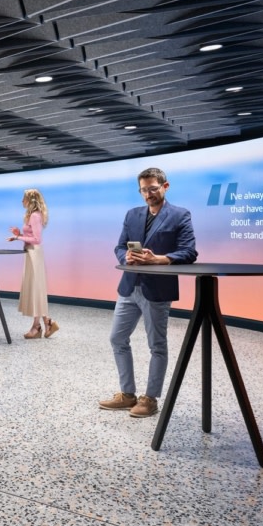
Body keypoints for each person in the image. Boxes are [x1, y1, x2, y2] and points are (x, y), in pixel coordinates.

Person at [99, 168, 197, 417]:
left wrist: (159, 259)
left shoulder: (180, 215)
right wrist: (126, 256)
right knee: (117, 339)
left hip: (158, 289)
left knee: (157, 346)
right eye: (144, 190)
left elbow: (189, 252)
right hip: (129, 287)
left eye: (153, 189)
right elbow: (119, 246)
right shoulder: (132, 214)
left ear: (165, 186)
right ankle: (127, 394)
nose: (148, 194)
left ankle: (150, 399)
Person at [8, 188, 57, 339]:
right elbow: (31, 236)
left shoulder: (35, 216)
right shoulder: (33, 215)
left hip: (34, 253)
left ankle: (38, 326)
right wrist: (19, 234)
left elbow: (37, 239)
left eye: (24, 198)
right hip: (31, 254)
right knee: (36, 289)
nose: (22, 201)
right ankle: (46, 323)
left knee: (36, 289)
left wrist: (18, 238)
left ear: (30, 200)